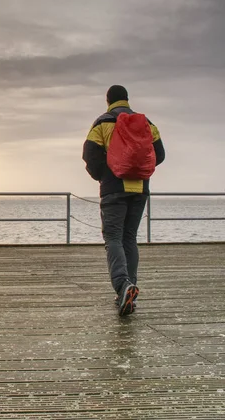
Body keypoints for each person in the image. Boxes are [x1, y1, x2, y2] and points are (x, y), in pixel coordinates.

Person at [82, 85, 165, 316]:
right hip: (140, 189)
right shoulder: (146, 123)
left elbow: (89, 155)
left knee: (113, 238)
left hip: (114, 189)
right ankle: (128, 291)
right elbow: (160, 154)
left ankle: (123, 286)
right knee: (129, 237)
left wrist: (106, 175)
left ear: (108, 101)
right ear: (127, 100)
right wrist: (138, 170)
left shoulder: (102, 123)